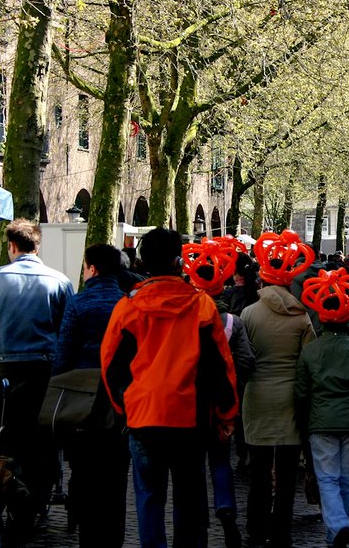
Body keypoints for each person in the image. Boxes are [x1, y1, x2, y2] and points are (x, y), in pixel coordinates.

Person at [101, 228, 239, 548]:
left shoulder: (128, 306)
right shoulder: (201, 305)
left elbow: (111, 366)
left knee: (149, 499)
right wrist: (226, 412)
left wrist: (126, 407)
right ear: (180, 261)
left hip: (144, 415)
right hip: (189, 418)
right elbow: (220, 365)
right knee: (189, 501)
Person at [0, 218, 73, 530]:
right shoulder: (59, 280)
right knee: (41, 436)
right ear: (37, 245)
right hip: (44, 366)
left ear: (11, 247)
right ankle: (36, 498)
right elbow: (66, 329)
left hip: (5, 366)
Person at [240, 231, 317, 548]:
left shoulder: (248, 314)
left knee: (258, 469)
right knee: (286, 474)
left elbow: (243, 358)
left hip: (257, 396)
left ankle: (256, 527)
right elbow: (309, 362)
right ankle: (282, 530)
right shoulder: (301, 318)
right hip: (290, 399)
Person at [294, 269, 349, 548]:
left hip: (321, 422)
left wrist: (304, 421)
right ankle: (339, 533)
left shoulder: (311, 351)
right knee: (346, 479)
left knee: (327, 478)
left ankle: (338, 526)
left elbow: (302, 392)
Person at [53, 244, 129, 548]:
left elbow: (64, 354)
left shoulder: (78, 303)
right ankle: (114, 537)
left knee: (83, 469)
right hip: (119, 399)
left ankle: (87, 533)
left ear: (92, 269)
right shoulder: (127, 302)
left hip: (83, 398)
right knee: (116, 474)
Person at [182, 242, 257, 548]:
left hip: (189, 402)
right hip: (222, 401)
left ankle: (197, 520)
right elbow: (247, 361)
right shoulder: (232, 322)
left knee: (193, 464)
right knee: (220, 460)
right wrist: (235, 386)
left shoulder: (182, 319)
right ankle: (225, 505)